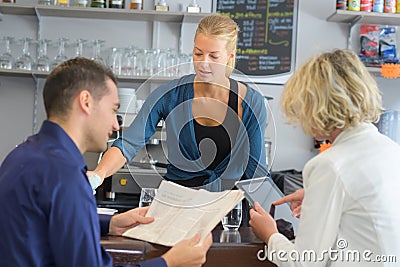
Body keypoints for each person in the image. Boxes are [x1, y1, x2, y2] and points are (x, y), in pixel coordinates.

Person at [0, 57, 212, 267]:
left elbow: (43, 222)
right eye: (113, 109)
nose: (115, 125)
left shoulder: (20, 156)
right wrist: (170, 263)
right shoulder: (66, 176)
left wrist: (109, 223)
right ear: (86, 102)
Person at [249, 49, 400, 266]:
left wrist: (270, 235)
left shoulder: (328, 165)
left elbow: (304, 263)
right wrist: (316, 196)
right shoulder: (391, 150)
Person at [89, 14, 269, 191]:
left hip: (229, 209)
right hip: (178, 202)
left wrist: (277, 212)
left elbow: (256, 170)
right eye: (198, 53)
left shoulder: (252, 102)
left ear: (230, 56)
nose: (203, 63)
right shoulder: (169, 95)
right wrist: (98, 175)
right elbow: (129, 143)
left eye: (213, 56)